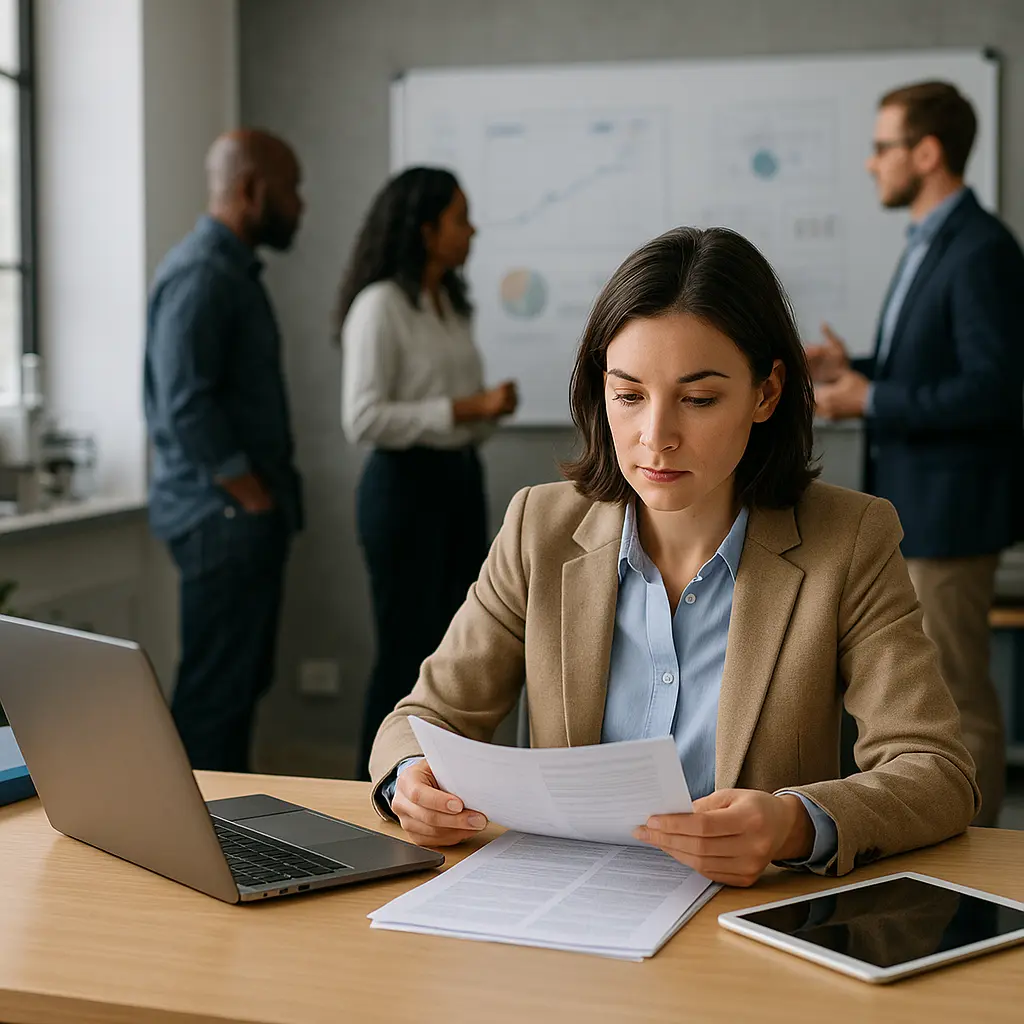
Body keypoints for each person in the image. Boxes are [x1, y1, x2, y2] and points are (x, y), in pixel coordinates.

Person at [368, 226, 979, 886]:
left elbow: (936, 770)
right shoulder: (538, 528)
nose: (656, 436)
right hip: (567, 907)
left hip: (742, 917)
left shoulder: (850, 539)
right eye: (629, 395)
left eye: (698, 399)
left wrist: (793, 824)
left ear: (767, 393)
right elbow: (422, 718)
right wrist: (410, 779)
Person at [810, 81, 1024, 826]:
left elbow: (993, 390)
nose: (872, 164)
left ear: (927, 153)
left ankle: (977, 863)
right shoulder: (933, 240)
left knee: (955, 698)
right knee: (928, 694)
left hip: (950, 515)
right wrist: (855, 370)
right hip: (919, 509)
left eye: (883, 148)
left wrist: (870, 398)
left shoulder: (981, 249)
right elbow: (933, 366)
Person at [337, 167, 519, 779]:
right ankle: (378, 786)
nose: (473, 230)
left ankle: (446, 787)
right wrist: (465, 408)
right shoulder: (379, 306)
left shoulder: (452, 305)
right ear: (424, 229)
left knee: (457, 653)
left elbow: (457, 417)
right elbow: (362, 418)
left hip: (458, 483)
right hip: (402, 491)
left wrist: (484, 413)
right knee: (404, 650)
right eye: (460, 218)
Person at [144, 130, 305, 772]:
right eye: (291, 189)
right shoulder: (204, 274)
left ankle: (221, 825)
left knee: (235, 690)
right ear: (251, 190)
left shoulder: (230, 271)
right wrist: (251, 494)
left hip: (236, 519)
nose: (300, 204)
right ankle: (189, 829)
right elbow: (184, 402)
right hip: (224, 520)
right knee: (214, 698)